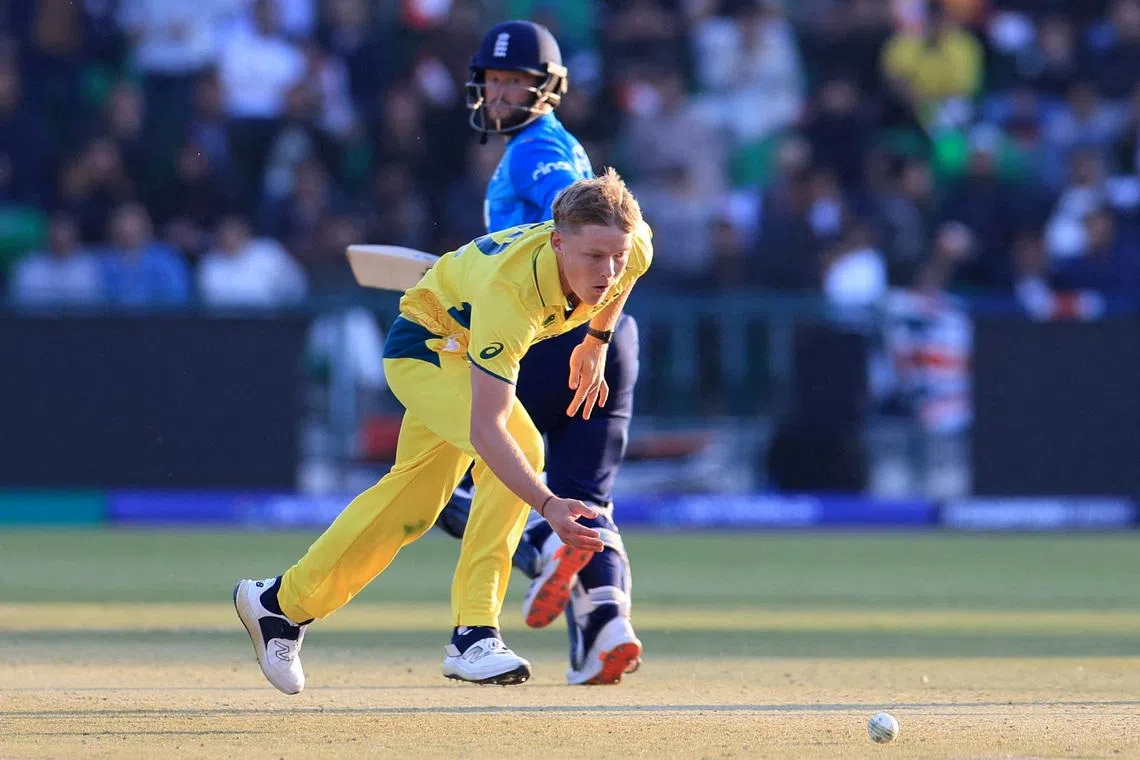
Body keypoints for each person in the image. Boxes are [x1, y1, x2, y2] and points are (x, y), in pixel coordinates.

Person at [234, 169, 653, 691]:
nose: (609, 269)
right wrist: (547, 504)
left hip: (466, 343)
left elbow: (629, 273)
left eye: (616, 254)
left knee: (411, 508)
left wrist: (596, 340)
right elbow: (488, 429)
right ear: (557, 241)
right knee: (519, 442)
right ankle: (473, 634)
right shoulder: (513, 291)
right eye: (594, 257)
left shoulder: (632, 247)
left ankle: (279, 604)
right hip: (427, 348)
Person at [436, 20, 644, 685]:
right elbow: (620, 247)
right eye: (493, 80)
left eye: (514, 81)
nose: (499, 93)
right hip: (603, 336)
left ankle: (540, 542)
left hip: (544, 337)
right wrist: (600, 334)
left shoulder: (539, 152)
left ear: (547, 87)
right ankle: (606, 627)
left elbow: (570, 235)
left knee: (458, 486)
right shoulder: (553, 149)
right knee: (587, 498)